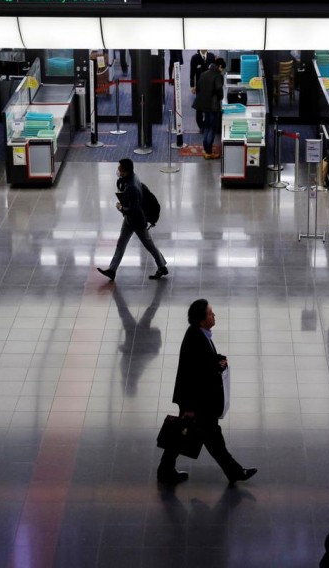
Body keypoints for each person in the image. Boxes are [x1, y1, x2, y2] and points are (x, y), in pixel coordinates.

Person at [157, 299, 257, 485]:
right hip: (197, 403)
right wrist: (188, 407)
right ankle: (234, 472)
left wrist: (217, 360)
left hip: (198, 402)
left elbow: (203, 363)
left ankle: (165, 470)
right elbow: (191, 375)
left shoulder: (199, 334)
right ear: (202, 319)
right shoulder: (196, 339)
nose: (214, 315)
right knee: (208, 438)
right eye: (210, 313)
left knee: (191, 436)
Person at [97, 159, 169, 282]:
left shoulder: (132, 187)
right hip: (130, 220)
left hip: (137, 221)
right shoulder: (133, 177)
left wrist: (121, 208)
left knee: (149, 245)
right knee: (121, 243)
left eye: (120, 169)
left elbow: (133, 209)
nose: (118, 171)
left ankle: (162, 267)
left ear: (126, 171)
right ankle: (112, 270)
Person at [194, 57, 226, 160]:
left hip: (204, 105)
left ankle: (206, 149)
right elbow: (219, 90)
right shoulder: (217, 76)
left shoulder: (204, 73)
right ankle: (208, 152)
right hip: (213, 106)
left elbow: (198, 88)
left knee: (206, 127)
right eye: (222, 68)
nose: (222, 71)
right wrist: (221, 98)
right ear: (220, 66)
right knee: (212, 128)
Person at [189, 50, 216, 132]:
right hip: (200, 86)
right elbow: (192, 72)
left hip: (210, 85)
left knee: (209, 106)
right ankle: (201, 125)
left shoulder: (211, 56)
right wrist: (192, 86)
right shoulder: (195, 58)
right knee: (199, 107)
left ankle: (208, 124)